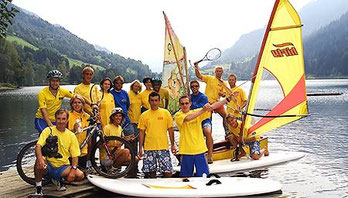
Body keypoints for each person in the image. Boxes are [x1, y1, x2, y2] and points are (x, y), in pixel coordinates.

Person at [174, 95, 233, 177]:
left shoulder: (196, 112)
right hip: (186, 150)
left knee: (204, 175)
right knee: (185, 177)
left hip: (200, 150)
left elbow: (212, 107)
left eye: (186, 103)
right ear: (179, 105)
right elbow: (188, 118)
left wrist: (227, 99)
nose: (184, 105)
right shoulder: (178, 115)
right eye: (182, 104)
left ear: (190, 104)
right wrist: (203, 110)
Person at [34, 109, 84, 195]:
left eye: (63, 119)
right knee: (38, 161)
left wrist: (73, 170)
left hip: (63, 167)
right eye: (58, 119)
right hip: (48, 164)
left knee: (80, 175)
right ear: (55, 119)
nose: (61, 121)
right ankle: (38, 189)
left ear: (67, 120)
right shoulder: (47, 130)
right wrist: (40, 158)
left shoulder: (71, 135)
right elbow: (38, 146)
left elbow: (75, 156)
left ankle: (58, 179)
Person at [138, 92, 175, 178]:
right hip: (149, 147)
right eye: (152, 100)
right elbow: (141, 132)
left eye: (156, 100)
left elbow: (170, 130)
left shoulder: (165, 113)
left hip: (163, 147)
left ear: (159, 101)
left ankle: (167, 188)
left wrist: (172, 145)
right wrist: (140, 148)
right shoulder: (144, 115)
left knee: (168, 171)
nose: (154, 103)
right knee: (151, 173)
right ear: (149, 101)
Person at [194, 62, 229, 133]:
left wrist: (222, 94)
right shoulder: (209, 78)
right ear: (215, 72)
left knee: (225, 116)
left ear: (222, 72)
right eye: (217, 71)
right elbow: (199, 76)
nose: (218, 73)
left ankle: (227, 132)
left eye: (220, 71)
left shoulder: (223, 83)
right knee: (208, 119)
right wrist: (196, 67)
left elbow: (225, 94)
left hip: (217, 103)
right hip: (207, 102)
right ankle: (208, 135)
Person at [189, 80, 214, 164]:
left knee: (207, 131)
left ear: (198, 87)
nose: (194, 88)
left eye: (196, 86)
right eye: (192, 86)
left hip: (204, 119)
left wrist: (191, 104)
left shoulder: (203, 97)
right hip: (194, 119)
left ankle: (210, 155)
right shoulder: (189, 97)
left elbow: (202, 108)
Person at [68, 95, 90, 170]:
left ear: (82, 104)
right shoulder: (68, 115)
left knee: (82, 170)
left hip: (83, 147)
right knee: (72, 171)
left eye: (79, 102)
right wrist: (74, 129)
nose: (77, 105)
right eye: (75, 103)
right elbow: (63, 133)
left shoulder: (86, 116)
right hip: (71, 148)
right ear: (71, 104)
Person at [127, 80, 142, 153]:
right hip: (130, 120)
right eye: (135, 86)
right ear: (132, 86)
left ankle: (135, 157)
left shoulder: (139, 95)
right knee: (129, 139)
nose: (137, 88)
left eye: (138, 87)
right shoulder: (128, 94)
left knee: (136, 139)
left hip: (137, 121)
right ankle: (127, 156)